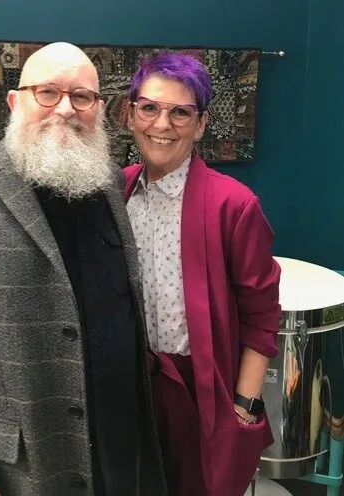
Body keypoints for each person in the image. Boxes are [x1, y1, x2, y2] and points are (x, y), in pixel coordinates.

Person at [0, 42, 167, 496]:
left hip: (120, 450)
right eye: (47, 92)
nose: (65, 108)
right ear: (14, 100)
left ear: (98, 108)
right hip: (21, 469)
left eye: (81, 97)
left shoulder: (106, 185)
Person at [123, 52, 281, 496]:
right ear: (131, 113)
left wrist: (245, 404)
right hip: (131, 386)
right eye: (150, 107)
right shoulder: (117, 193)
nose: (162, 123)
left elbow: (262, 313)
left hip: (200, 389)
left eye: (180, 112)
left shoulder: (232, 205)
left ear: (201, 124)